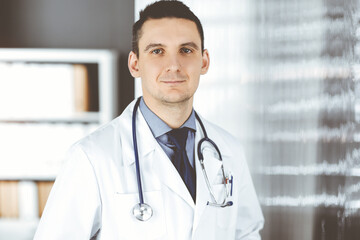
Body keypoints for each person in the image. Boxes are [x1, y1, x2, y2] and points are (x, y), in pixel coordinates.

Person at [34, 1, 264, 239]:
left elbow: (246, 232)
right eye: (157, 51)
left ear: (204, 61)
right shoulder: (91, 158)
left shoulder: (229, 150)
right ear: (135, 64)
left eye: (186, 50)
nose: (173, 65)